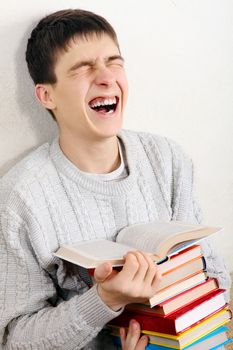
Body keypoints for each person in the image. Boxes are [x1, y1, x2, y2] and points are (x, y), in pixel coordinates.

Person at [0, 8, 230, 350]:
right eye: (83, 68)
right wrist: (104, 299)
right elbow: (16, 338)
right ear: (47, 95)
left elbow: (212, 274)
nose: (107, 78)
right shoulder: (22, 197)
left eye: (114, 62)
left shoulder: (166, 158)